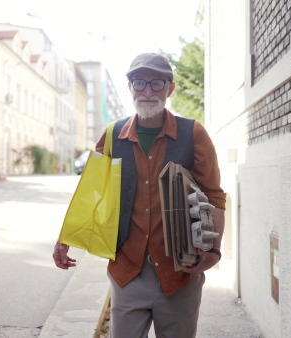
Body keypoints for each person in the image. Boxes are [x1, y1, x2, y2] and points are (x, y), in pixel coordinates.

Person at [53, 52, 226, 338]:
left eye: (157, 83)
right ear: (130, 87)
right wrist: (65, 237)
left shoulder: (193, 133)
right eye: (139, 82)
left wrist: (214, 248)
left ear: (170, 88)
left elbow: (214, 196)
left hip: (179, 271)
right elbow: (91, 192)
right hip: (127, 271)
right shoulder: (112, 135)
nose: (147, 91)